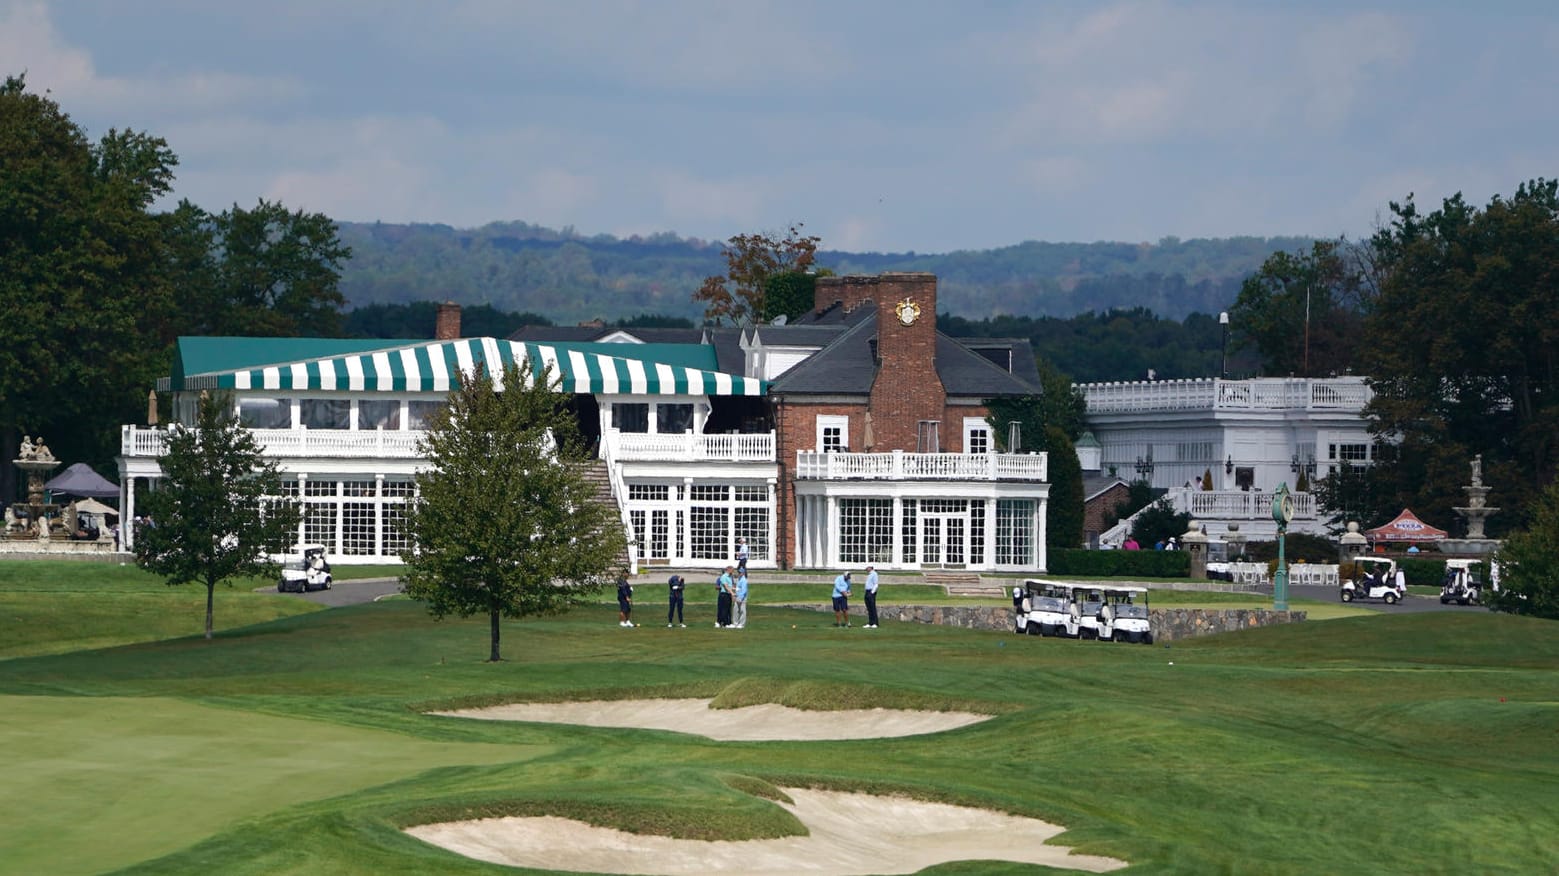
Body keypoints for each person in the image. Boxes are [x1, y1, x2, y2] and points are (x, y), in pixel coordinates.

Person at [862, 564, 879, 629]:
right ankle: (870, 622)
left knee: (872, 607)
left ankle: (875, 623)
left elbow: (876, 584)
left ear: (870, 568)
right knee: (869, 608)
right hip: (867, 591)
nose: (866, 569)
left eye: (867, 568)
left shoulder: (874, 574)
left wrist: (872, 593)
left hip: (871, 592)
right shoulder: (869, 574)